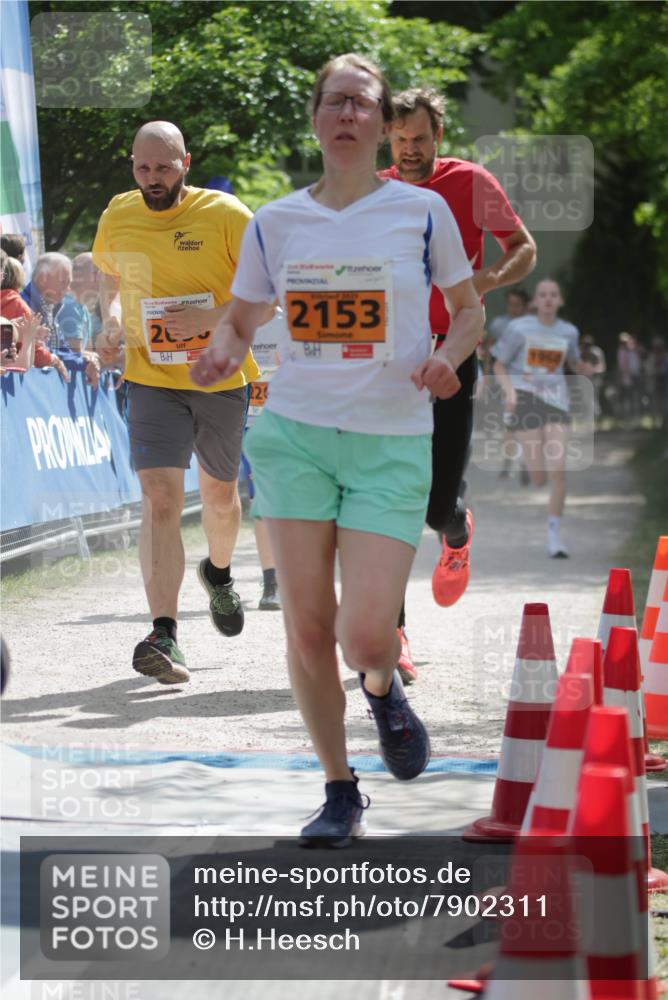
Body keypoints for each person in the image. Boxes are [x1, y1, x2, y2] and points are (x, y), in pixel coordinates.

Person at [190, 54, 484, 845]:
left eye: (362, 104)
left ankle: (383, 689)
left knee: (363, 636)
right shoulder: (275, 222)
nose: (348, 115)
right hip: (295, 439)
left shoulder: (422, 213)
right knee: (307, 630)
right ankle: (338, 788)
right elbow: (243, 318)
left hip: (391, 440)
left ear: (382, 123)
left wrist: (446, 361)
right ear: (316, 118)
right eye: (335, 103)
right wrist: (223, 348)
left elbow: (466, 312)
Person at [92, 120, 261, 685]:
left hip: (220, 376)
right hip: (152, 376)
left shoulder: (228, 215)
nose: (153, 179)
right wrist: (112, 321)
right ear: (132, 165)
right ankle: (163, 634)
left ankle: (217, 573)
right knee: (160, 498)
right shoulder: (119, 213)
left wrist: (210, 318)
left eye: (163, 168)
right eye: (143, 168)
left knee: (219, 497)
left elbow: (272, 295)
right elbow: (110, 281)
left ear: (186, 161)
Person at [380, 88, 536, 679]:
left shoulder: (470, 182)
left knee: (434, 502)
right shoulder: (375, 190)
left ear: (437, 135)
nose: (411, 149)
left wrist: (478, 284)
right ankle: (392, 636)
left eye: (420, 139)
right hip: (390, 361)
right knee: (388, 497)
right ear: (388, 139)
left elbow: (523, 248)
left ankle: (456, 524)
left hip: (454, 352)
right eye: (400, 140)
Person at [492, 278, 591, 558]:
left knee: (558, 470)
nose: (548, 299)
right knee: (538, 478)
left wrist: (582, 368)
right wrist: (509, 391)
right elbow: (498, 364)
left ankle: (554, 536)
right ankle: (526, 452)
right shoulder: (518, 328)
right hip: (525, 400)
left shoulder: (569, 331)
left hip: (557, 403)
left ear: (560, 301)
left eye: (553, 295)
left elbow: (572, 362)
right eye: (543, 295)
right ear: (535, 302)